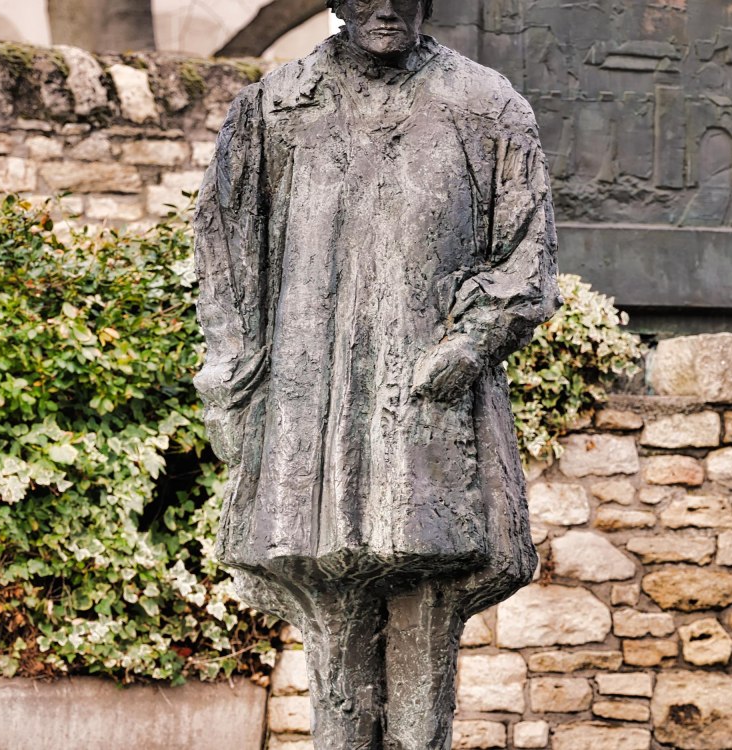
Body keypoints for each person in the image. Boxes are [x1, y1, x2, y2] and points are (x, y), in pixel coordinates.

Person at [193, 0, 559, 746]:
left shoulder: (485, 104)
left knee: (426, 602)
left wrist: (472, 342)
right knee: (332, 605)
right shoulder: (277, 105)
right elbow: (226, 249)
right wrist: (232, 383)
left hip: (430, 407)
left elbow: (527, 253)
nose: (386, 6)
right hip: (312, 411)